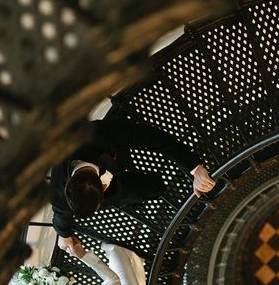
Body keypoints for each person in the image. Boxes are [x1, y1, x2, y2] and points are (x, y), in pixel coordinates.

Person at [50, 109, 216, 257]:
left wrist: (195, 168)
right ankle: (136, 198)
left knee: (156, 185)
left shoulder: (100, 135)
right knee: (149, 190)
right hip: (118, 192)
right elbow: (60, 214)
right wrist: (64, 236)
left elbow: (154, 138)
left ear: (104, 187)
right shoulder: (59, 190)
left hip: (115, 157)